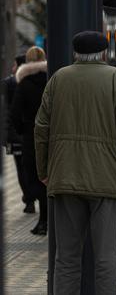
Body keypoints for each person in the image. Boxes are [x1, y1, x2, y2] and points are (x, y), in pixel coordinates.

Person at [34, 31, 116, 295]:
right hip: (107, 179)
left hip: (64, 177)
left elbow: (41, 128)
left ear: (75, 53)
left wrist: (44, 170)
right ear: (103, 53)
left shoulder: (58, 79)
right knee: (106, 256)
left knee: (65, 257)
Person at [10, 47, 48, 234]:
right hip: (51, 135)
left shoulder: (23, 84)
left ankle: (43, 220)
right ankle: (51, 219)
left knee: (34, 175)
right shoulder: (52, 79)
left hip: (31, 135)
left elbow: (15, 114)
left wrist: (21, 131)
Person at [3, 54, 35, 213]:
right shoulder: (39, 79)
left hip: (15, 134)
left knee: (20, 168)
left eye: (15, 65)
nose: (12, 68)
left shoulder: (10, 83)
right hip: (32, 134)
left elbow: (9, 112)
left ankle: (28, 199)